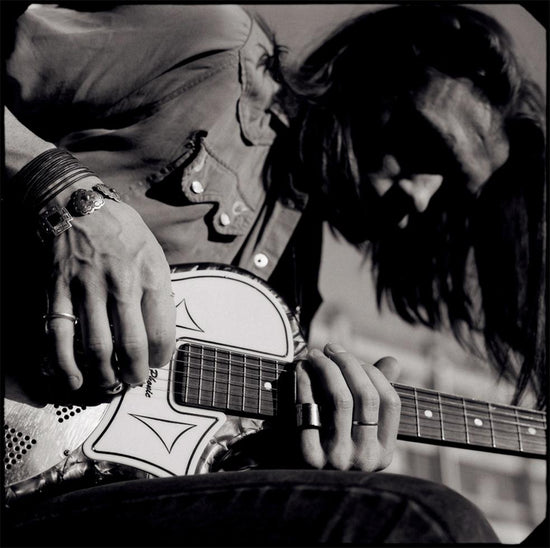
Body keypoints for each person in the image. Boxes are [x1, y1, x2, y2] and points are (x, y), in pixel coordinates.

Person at [2, 3, 546, 546]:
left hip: (55, 496)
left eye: (449, 186)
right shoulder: (213, 51)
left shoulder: (294, 283)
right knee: (424, 521)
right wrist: (63, 194)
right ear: (375, 70)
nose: (422, 195)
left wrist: (298, 464)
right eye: (426, 143)